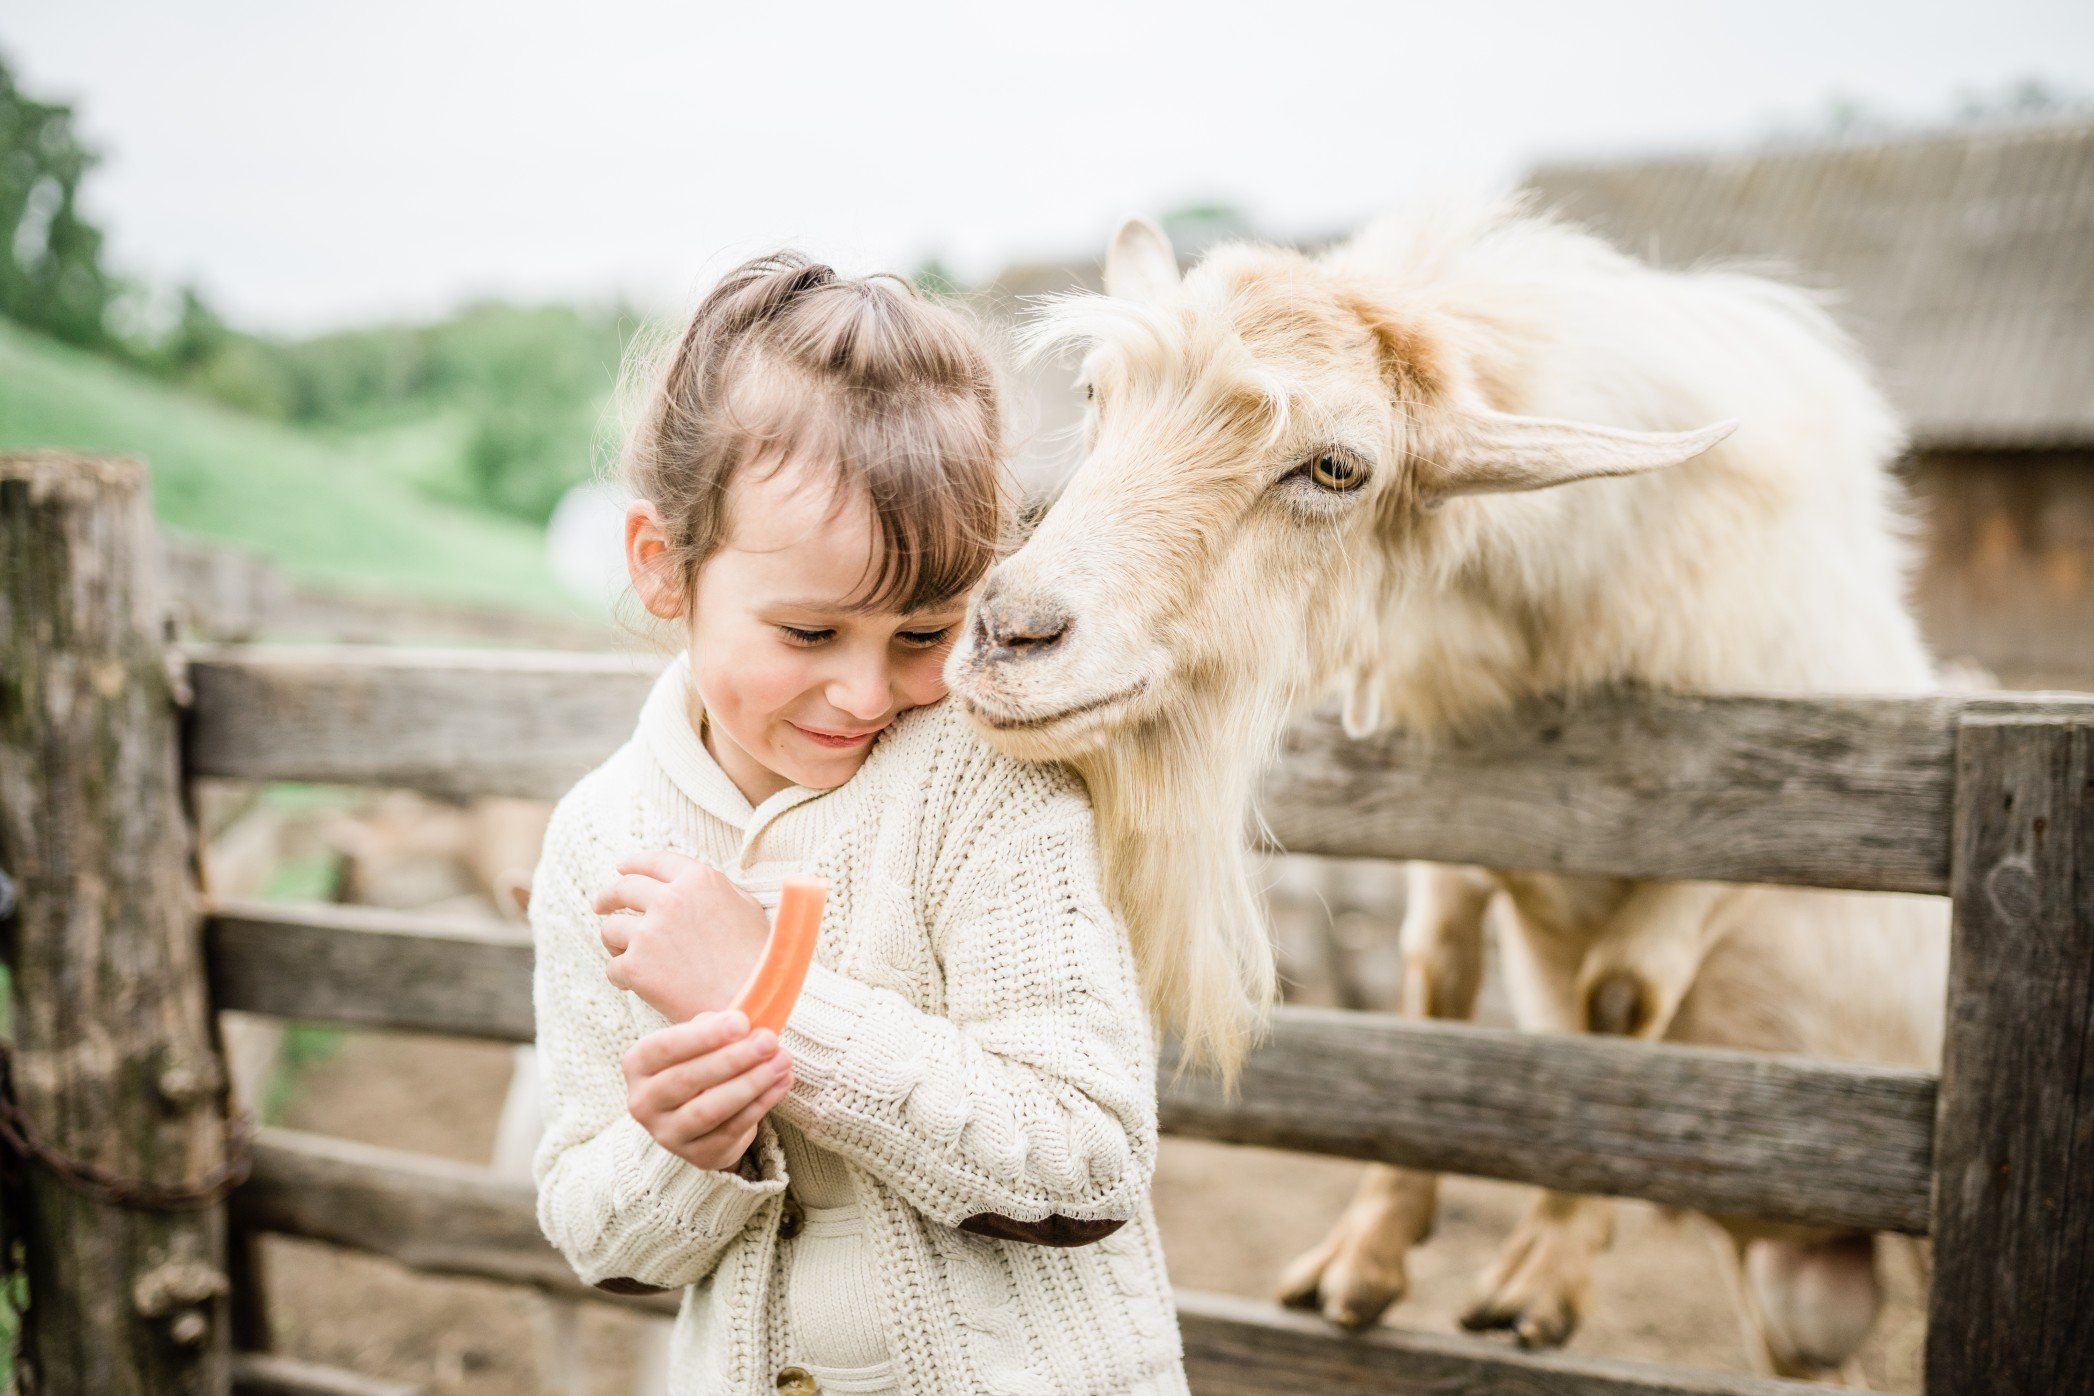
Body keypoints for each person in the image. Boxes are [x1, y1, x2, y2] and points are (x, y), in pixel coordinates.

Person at [528, 252, 1189, 1395]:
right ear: (663, 566)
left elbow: (1088, 1156)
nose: (868, 695)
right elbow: (598, 1236)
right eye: (809, 634)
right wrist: (684, 1153)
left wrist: (768, 1003)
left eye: (925, 634)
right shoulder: (598, 838)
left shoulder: (987, 780)